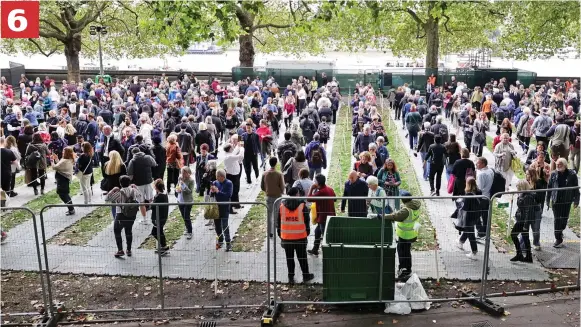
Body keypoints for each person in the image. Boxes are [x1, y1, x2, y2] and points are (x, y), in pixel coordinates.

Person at [277, 186, 315, 284]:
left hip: (286, 238)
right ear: (297, 194)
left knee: (289, 258)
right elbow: (307, 221)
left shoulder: (281, 206)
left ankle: (291, 277)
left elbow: (278, 222)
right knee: (302, 257)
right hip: (300, 238)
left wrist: (280, 235)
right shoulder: (302, 206)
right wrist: (307, 232)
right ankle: (305, 275)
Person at [381, 190, 421, 281]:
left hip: (405, 235)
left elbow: (395, 216)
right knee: (407, 252)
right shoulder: (415, 205)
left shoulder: (406, 210)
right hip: (412, 233)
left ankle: (403, 272)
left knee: (402, 253)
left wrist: (382, 216)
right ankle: (408, 269)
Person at [106, 175, 143, 258]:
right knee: (129, 231)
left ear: (120, 183)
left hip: (120, 215)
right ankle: (129, 250)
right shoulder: (133, 191)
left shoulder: (118, 193)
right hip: (132, 215)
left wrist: (113, 190)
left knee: (117, 230)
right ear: (129, 182)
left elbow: (107, 199)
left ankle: (120, 250)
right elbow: (141, 196)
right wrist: (136, 187)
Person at [546, 158, 580, 248]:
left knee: (564, 220)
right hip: (556, 201)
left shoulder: (572, 175)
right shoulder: (553, 174)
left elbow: (576, 188)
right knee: (557, 219)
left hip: (566, 201)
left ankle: (560, 231)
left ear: (565, 165)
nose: (558, 165)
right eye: (557, 164)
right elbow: (549, 188)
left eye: (560, 164)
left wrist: (576, 200)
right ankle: (558, 238)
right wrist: (547, 200)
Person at [307, 174, 336, 256]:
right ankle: (315, 249)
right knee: (317, 232)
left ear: (317, 183)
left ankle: (329, 253)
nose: (313, 182)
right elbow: (335, 199)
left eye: (315, 181)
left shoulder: (321, 192)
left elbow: (309, 199)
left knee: (325, 236)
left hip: (323, 217)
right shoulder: (329, 189)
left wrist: (311, 188)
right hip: (327, 215)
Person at [127, 147, 157, 224]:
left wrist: (130, 183)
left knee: (141, 202)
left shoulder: (132, 161)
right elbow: (154, 164)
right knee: (151, 199)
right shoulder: (147, 157)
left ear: (132, 153)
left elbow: (130, 174)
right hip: (148, 181)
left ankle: (145, 219)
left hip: (138, 184)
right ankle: (154, 217)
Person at [510, 180, 537, 263]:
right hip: (521, 219)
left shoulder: (527, 196)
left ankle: (520, 254)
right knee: (525, 237)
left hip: (522, 220)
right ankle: (528, 256)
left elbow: (527, 211)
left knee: (513, 234)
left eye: (518, 187)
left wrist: (525, 224)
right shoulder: (523, 195)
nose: (517, 188)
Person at [455, 178, 482, 260]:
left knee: (471, 234)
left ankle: (474, 252)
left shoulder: (468, 195)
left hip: (469, 217)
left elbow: (465, 207)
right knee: (468, 230)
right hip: (476, 215)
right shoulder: (479, 191)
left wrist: (460, 202)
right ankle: (461, 242)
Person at [261, 157, 285, 238]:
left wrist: (267, 190)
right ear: (276, 163)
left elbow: (262, 187)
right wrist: (281, 191)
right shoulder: (279, 174)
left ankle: (269, 232)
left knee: (269, 214)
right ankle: (275, 229)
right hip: (277, 196)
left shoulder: (264, 174)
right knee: (276, 214)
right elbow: (282, 186)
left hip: (268, 196)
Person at [211, 169, 234, 251]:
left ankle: (228, 243)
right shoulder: (215, 182)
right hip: (216, 208)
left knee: (225, 225)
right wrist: (212, 191)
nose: (216, 178)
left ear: (222, 176)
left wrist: (218, 191)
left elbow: (227, 196)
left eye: (218, 176)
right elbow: (212, 195)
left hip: (224, 208)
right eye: (216, 176)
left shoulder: (229, 183)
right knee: (217, 225)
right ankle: (220, 240)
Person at [525, 168, 546, 251]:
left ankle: (536, 243)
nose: (526, 176)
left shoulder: (539, 183)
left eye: (527, 174)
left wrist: (530, 194)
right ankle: (524, 244)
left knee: (536, 227)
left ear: (532, 175)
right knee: (525, 227)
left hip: (536, 209)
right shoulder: (525, 182)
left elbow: (540, 198)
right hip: (527, 209)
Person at [50, 146, 76, 215]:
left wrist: (52, 161)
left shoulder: (65, 160)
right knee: (65, 193)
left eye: (64, 151)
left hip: (62, 179)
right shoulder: (68, 159)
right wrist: (56, 159)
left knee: (62, 194)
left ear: (66, 153)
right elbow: (60, 165)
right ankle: (71, 208)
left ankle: (71, 209)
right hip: (64, 178)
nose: (62, 152)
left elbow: (55, 167)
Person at [102, 151, 127, 219]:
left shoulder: (106, 165)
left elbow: (104, 176)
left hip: (110, 187)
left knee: (113, 205)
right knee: (122, 203)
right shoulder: (122, 166)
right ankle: (122, 218)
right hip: (120, 187)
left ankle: (115, 219)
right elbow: (124, 177)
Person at [475, 157, 494, 238]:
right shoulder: (490, 170)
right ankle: (485, 231)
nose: (476, 164)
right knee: (485, 215)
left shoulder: (482, 174)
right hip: (487, 196)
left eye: (478, 163)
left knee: (475, 215)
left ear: (483, 164)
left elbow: (479, 188)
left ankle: (480, 231)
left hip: (482, 197)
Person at [150, 179, 170, 255]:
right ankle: (163, 246)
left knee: (155, 232)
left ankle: (164, 246)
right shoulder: (164, 194)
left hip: (158, 218)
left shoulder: (159, 196)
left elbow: (152, 206)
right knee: (160, 231)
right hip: (163, 217)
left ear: (156, 187)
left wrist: (152, 201)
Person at [223, 143, 244, 211]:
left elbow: (234, 152)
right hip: (232, 175)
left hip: (234, 174)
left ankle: (236, 204)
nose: (233, 148)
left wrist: (238, 146)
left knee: (236, 190)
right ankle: (231, 207)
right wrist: (242, 148)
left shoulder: (230, 154)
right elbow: (240, 156)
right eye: (232, 147)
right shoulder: (229, 157)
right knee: (233, 191)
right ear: (229, 149)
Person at [176, 166, 195, 239]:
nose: (183, 174)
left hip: (188, 201)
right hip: (180, 200)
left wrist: (183, 184)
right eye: (182, 172)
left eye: (185, 173)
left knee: (187, 216)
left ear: (189, 173)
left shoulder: (191, 181)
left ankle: (190, 232)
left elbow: (190, 191)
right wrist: (177, 189)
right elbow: (177, 186)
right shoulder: (180, 178)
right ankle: (187, 228)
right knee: (183, 216)